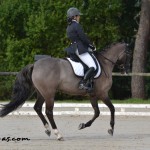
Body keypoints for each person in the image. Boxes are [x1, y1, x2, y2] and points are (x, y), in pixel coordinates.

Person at [66, 7, 97, 91]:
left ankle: (88, 82)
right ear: (74, 17)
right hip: (80, 49)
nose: (79, 17)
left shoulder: (69, 27)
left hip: (73, 48)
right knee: (93, 66)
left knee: (86, 64)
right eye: (78, 16)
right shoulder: (77, 25)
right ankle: (83, 83)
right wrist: (91, 46)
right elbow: (83, 38)